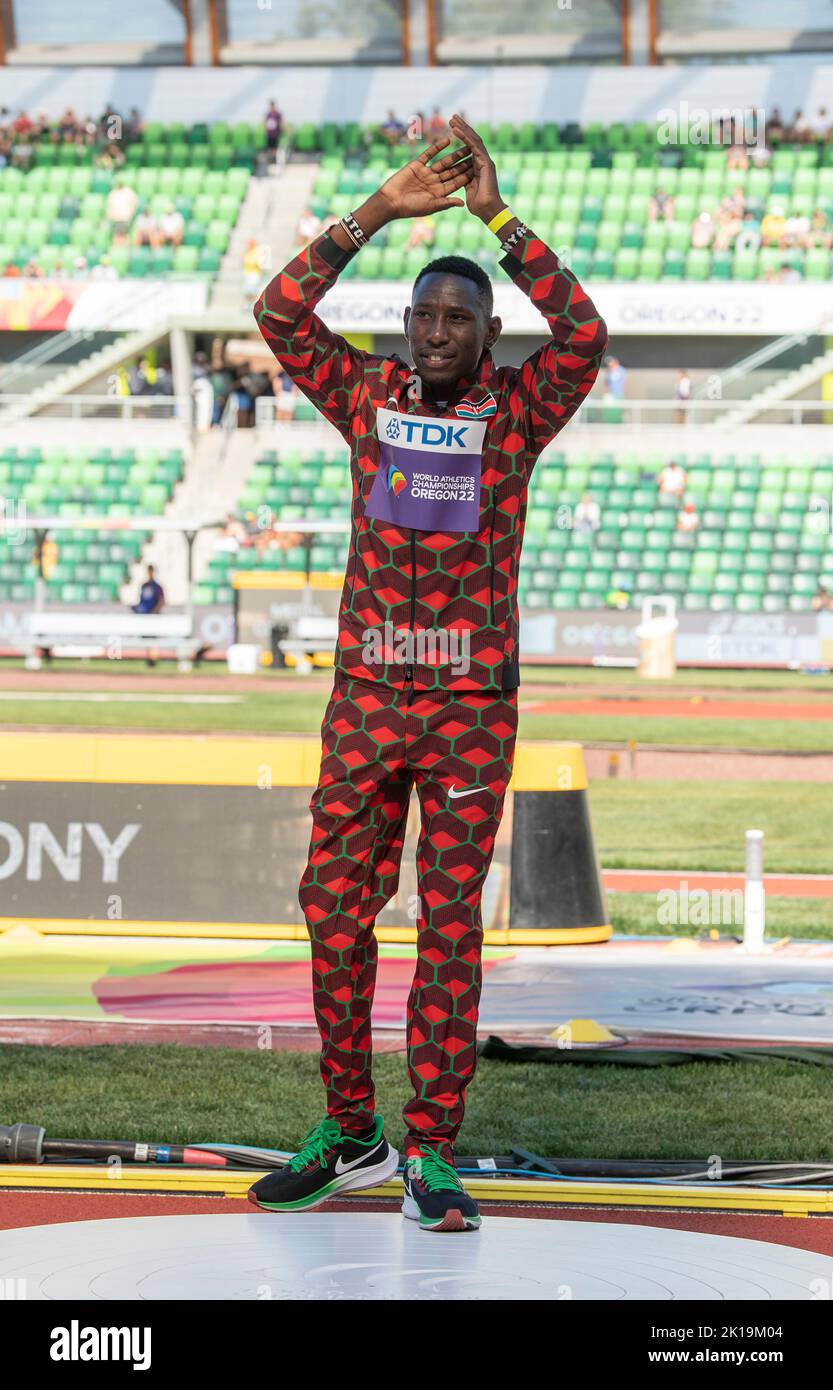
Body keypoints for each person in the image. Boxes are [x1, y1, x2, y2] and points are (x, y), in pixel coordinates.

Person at [248, 112, 608, 1230]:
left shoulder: (518, 411)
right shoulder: (365, 399)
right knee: (332, 910)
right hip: (364, 697)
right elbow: (275, 311)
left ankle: (431, 1149)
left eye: (460, 317)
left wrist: (492, 214)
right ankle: (349, 1132)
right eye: (425, 315)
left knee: (448, 921)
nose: (439, 330)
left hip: (466, 707)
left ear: (489, 334)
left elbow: (585, 335)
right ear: (403, 328)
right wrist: (380, 211)